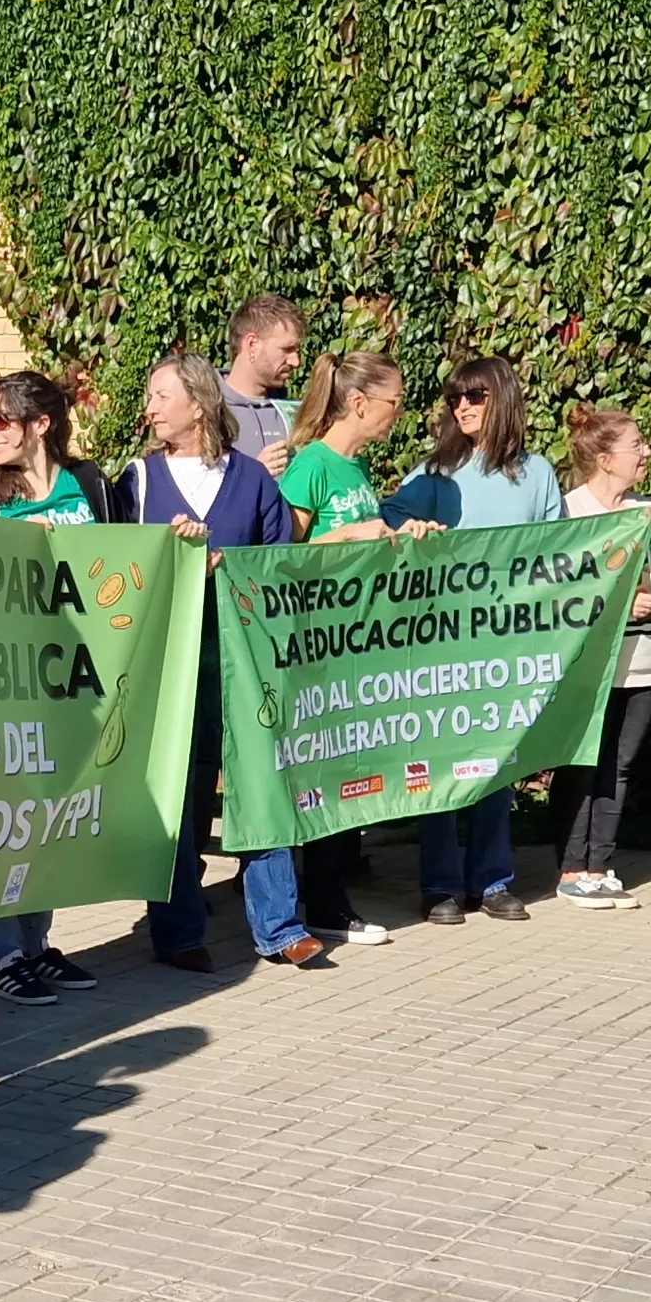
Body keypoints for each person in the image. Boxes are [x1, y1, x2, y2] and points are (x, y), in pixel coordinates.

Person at [106, 353, 319, 972]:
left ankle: (280, 927)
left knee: (261, 783)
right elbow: (116, 568)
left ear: (198, 406)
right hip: (170, 663)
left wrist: (232, 567)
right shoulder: (137, 482)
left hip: (242, 661)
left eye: (161, 396)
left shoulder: (252, 479)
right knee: (179, 792)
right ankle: (177, 931)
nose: (149, 407)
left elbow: (280, 564)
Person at [0, 370, 116, 1007]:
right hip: (7, 682)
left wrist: (180, 543)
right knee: (4, 817)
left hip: (77, 680)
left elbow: (126, 565)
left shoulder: (95, 486)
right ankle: (4, 957)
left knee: (51, 817)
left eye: (2, 420)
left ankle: (38, 941)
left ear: (40, 425)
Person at [405, 356, 565, 926]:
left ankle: (493, 881)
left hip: (506, 647)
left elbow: (563, 556)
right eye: (455, 398)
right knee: (438, 766)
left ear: (503, 400)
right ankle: (441, 885)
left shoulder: (538, 473)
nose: (462, 407)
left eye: (475, 396)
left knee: (498, 766)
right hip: (441, 645)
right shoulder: (432, 474)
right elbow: (393, 545)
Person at [277, 350, 410, 945]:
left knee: (347, 769)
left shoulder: (355, 472)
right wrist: (353, 532)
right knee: (327, 773)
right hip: (317, 649)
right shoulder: (312, 465)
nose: (398, 415)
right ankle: (323, 904)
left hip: (354, 642)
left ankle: (331, 898)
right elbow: (284, 556)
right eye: (394, 403)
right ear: (359, 403)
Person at [556, 405, 651, 911]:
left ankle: (599, 866)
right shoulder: (569, 513)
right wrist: (621, 606)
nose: (646, 453)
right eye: (636, 445)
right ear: (604, 458)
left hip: (643, 657)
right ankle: (571, 867)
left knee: (618, 766)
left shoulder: (650, 511)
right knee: (582, 763)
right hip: (589, 663)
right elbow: (560, 590)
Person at [220, 295, 304, 474]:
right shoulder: (205, 410)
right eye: (286, 349)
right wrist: (253, 474)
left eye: (296, 350)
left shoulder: (292, 413)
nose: (296, 361)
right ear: (252, 344)